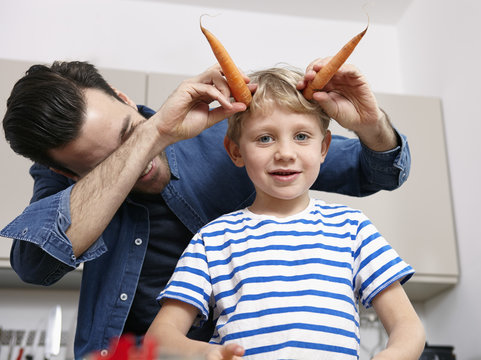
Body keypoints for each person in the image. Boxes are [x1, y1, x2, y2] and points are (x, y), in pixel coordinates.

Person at [0, 59, 410, 359]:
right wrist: (152, 134)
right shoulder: (212, 238)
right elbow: (36, 264)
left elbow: (375, 170)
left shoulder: (234, 136)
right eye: (104, 161)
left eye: (129, 132)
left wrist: (371, 123)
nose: (136, 162)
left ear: (126, 99)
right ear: (63, 171)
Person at [146, 67, 425, 360]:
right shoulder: (212, 239)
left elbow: (408, 327)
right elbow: (160, 338)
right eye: (265, 138)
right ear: (236, 151)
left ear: (324, 148)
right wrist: (206, 353)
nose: (285, 153)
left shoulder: (352, 229)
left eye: (302, 136)